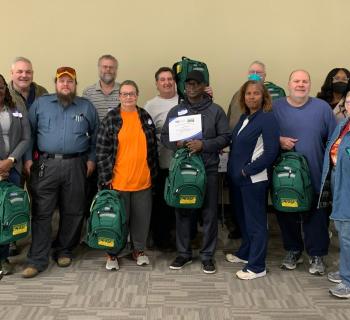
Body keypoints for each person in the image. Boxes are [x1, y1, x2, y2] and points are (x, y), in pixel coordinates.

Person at [22, 67, 99, 278]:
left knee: (73, 211)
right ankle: (37, 259)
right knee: (42, 213)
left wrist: (92, 159)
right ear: (55, 83)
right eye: (61, 81)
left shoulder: (86, 106)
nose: (65, 85)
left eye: (70, 81)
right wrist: (28, 158)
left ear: (75, 84)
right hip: (46, 165)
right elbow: (28, 134)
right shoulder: (41, 104)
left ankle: (64, 250)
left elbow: (96, 136)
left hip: (77, 164)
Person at [161, 70, 231, 274]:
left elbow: (226, 137)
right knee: (183, 210)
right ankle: (183, 253)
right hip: (183, 170)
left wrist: (204, 144)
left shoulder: (215, 111)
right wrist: (177, 143)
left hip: (207, 169)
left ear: (203, 86)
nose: (190, 87)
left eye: (195, 84)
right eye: (187, 84)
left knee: (209, 213)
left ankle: (207, 256)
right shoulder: (176, 111)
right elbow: (165, 136)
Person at [273, 69, 336, 276]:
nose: (301, 85)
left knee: (316, 215)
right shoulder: (275, 107)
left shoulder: (322, 108)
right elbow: (263, 136)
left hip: (315, 172)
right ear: (289, 84)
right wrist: (279, 140)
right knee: (286, 211)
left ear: (310, 84)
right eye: (296, 81)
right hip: (285, 175)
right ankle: (293, 250)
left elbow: (333, 140)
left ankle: (317, 255)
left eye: (305, 81)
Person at [96, 80, 158, 270]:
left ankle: (138, 250)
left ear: (137, 95)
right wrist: (107, 177)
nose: (128, 97)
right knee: (117, 221)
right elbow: (101, 151)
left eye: (132, 94)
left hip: (143, 182)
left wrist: (153, 174)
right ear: (119, 96)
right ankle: (112, 253)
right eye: (125, 94)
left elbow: (153, 149)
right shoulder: (111, 119)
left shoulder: (145, 116)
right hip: (118, 182)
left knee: (141, 221)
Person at [226, 80, 279, 280]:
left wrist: (247, 171)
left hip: (254, 179)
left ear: (263, 96)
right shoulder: (244, 118)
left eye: (256, 93)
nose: (251, 97)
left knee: (256, 223)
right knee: (244, 219)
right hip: (238, 180)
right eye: (248, 93)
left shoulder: (267, 119)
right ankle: (246, 253)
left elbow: (270, 152)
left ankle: (257, 266)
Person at [319, 90, 350, 298]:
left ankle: (348, 282)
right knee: (342, 231)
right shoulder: (343, 124)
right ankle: (346, 271)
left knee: (347, 236)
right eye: (348, 100)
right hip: (340, 185)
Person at [144, 67, 178, 250]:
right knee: (162, 205)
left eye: (170, 79)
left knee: (180, 204)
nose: (166, 82)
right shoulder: (150, 105)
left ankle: (181, 239)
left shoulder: (184, 101)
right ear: (157, 84)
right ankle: (161, 240)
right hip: (161, 163)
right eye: (162, 79)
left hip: (181, 164)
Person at [0, 74, 31, 275]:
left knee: (8, 214)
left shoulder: (16, 110)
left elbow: (25, 137)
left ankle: (3, 259)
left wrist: (10, 161)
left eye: (1, 87)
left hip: (12, 169)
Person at [227, 60, 285, 129]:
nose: (254, 74)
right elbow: (230, 116)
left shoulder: (274, 93)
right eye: (252, 72)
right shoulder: (238, 94)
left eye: (258, 72)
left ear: (264, 76)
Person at [83, 54, 120, 122]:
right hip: (96, 132)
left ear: (116, 70)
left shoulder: (124, 91)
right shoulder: (88, 92)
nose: (108, 69)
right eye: (105, 67)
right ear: (99, 68)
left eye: (111, 67)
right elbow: (85, 118)